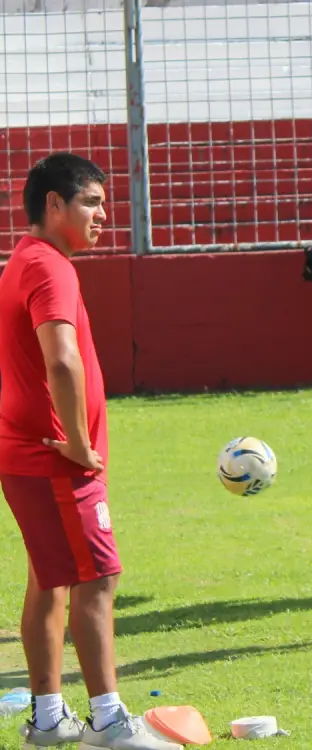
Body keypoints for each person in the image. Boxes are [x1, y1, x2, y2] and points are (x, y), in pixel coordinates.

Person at [0, 153, 181, 750]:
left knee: (48, 583)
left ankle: (49, 720)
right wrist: (78, 443)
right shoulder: (50, 267)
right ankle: (108, 722)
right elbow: (61, 358)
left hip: (29, 455)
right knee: (98, 580)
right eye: (92, 202)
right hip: (55, 460)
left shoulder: (25, 261)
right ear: (54, 205)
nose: (105, 214)